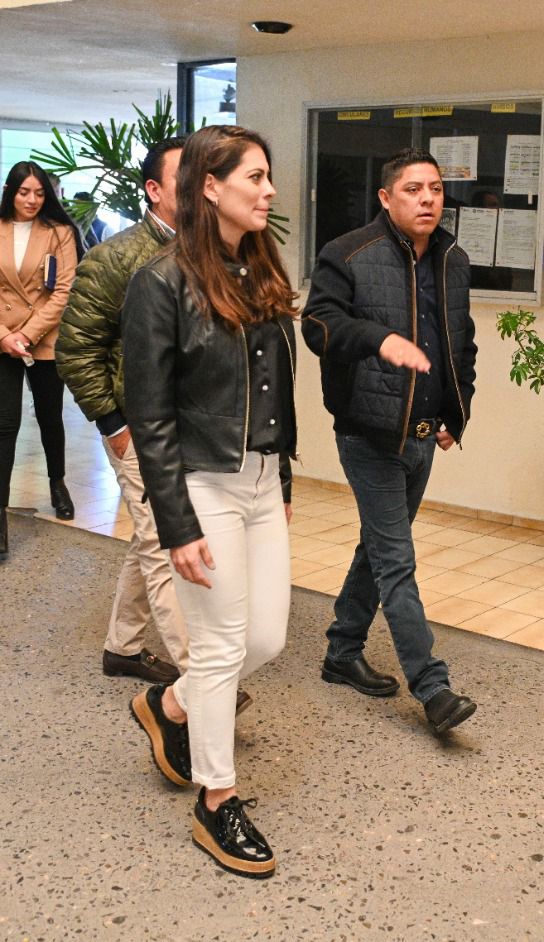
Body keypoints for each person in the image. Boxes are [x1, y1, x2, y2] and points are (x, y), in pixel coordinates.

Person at [122, 125, 295, 879]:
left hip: (261, 479)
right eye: (255, 177)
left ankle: (170, 707)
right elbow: (151, 414)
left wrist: (281, 483)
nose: (269, 190)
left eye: (267, 176)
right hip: (201, 483)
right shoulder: (159, 283)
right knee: (223, 646)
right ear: (211, 187)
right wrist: (176, 522)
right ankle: (216, 800)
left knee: (267, 640)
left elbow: (275, 390)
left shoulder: (258, 268)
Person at [302, 147, 478, 736]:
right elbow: (318, 326)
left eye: (435, 189)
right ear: (385, 197)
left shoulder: (453, 258)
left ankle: (342, 650)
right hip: (368, 432)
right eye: (413, 189)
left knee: (378, 549)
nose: (428, 199)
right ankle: (432, 687)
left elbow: (461, 344)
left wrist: (457, 412)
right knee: (397, 560)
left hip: (424, 435)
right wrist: (378, 339)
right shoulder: (347, 252)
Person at [57, 140, 189, 686]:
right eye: (185, 177)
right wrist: (114, 426)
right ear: (153, 190)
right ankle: (201, 678)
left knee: (149, 536)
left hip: (190, 426)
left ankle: (122, 648)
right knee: (165, 539)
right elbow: (75, 349)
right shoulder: (116, 257)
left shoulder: (211, 253)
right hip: (137, 427)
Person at [0, 161, 82, 560]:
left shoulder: (60, 231)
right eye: (24, 192)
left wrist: (27, 334)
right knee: (4, 425)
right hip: (2, 340)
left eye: (38, 193)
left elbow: (64, 290)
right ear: (10, 192)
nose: (32, 200)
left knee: (50, 416)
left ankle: (57, 483)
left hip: (43, 337)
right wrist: (5, 336)